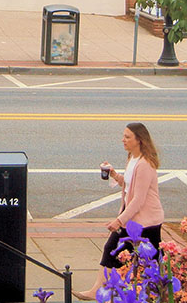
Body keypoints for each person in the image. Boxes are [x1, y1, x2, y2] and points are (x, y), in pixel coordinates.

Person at [73, 123, 164, 301]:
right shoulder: (132, 159)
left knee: (149, 259)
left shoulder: (145, 165)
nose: (123, 140)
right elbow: (129, 186)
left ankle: (158, 291)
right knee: (116, 251)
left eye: (127, 137)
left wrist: (119, 221)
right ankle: (98, 290)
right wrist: (114, 174)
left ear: (139, 140)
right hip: (133, 219)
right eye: (124, 136)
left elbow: (138, 199)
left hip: (146, 221)